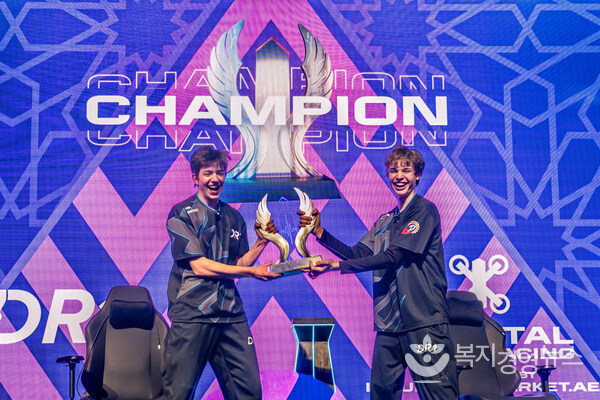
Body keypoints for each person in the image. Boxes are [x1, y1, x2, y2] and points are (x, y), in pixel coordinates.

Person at [299, 145, 458, 399]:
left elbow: (393, 257)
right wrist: (320, 233)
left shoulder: (423, 211)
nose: (399, 176)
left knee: (438, 395)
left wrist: (336, 266)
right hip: (389, 326)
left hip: (424, 321)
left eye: (406, 170)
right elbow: (357, 254)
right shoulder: (385, 220)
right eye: (393, 171)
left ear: (417, 175)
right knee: (381, 395)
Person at [163, 146, 281, 400]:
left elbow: (237, 264)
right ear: (195, 178)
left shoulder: (234, 217)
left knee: (249, 393)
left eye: (220, 173)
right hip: (193, 314)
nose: (215, 179)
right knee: (178, 394)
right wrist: (252, 271)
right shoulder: (180, 214)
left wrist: (262, 242)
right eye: (208, 173)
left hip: (230, 314)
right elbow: (200, 266)